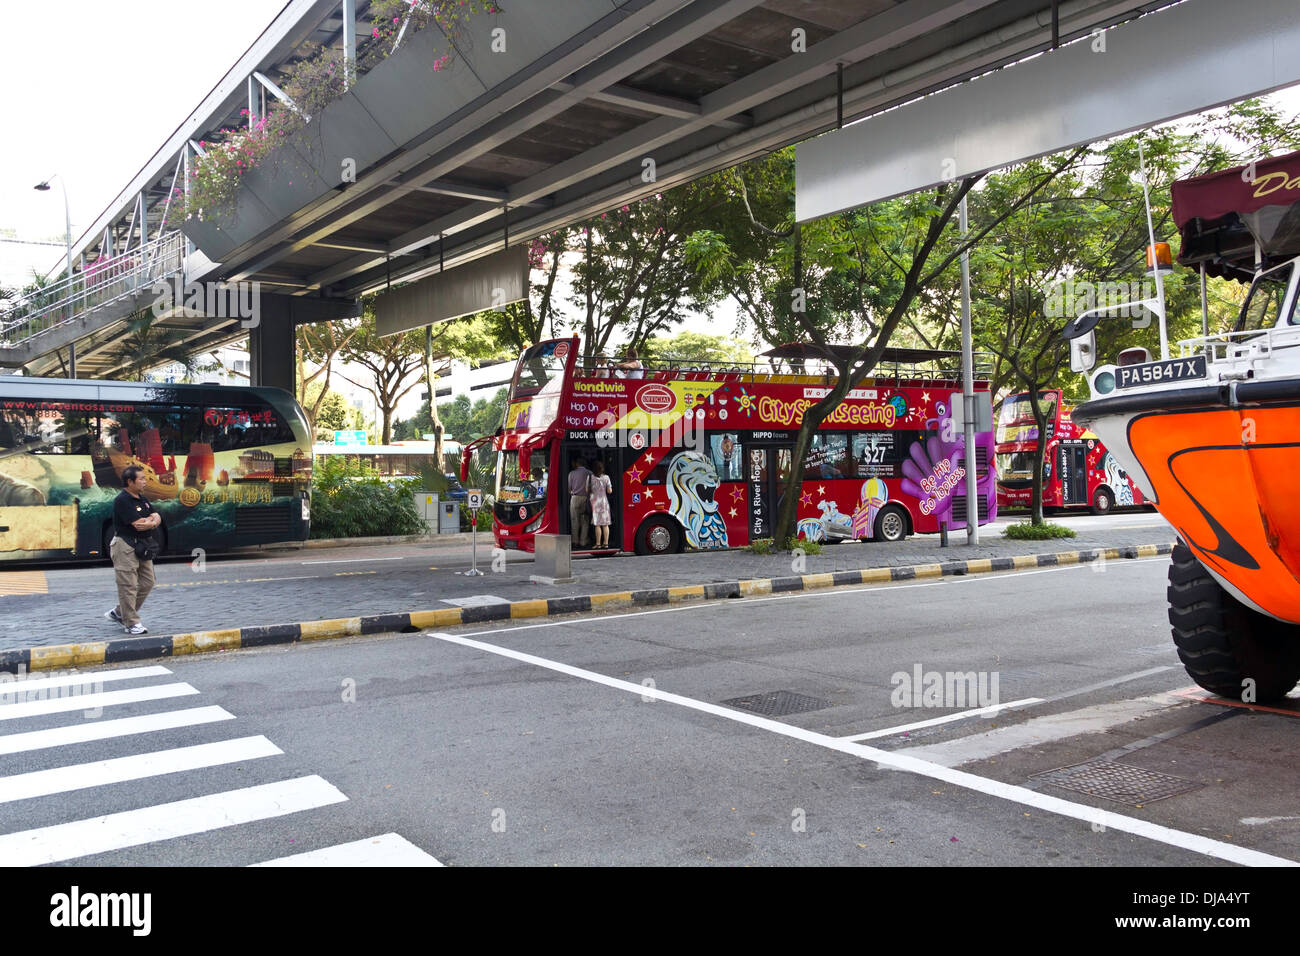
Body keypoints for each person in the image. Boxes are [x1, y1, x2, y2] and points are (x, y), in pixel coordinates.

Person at [106, 464, 161, 635]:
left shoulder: (141, 499)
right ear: (130, 482)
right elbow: (138, 525)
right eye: (142, 479)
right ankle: (131, 623)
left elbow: (157, 515)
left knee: (148, 581)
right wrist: (152, 522)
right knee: (128, 586)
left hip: (142, 546)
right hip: (125, 546)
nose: (145, 481)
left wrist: (151, 521)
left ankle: (119, 612)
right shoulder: (122, 500)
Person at [567, 456, 593, 548]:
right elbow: (592, 487)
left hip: (575, 498)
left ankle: (575, 541)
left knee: (574, 520)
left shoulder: (571, 474)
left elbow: (569, 489)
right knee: (585, 521)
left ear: (577, 463)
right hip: (586, 498)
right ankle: (583, 541)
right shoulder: (590, 473)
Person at [588, 460, 613, 549]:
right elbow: (609, 491)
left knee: (597, 524)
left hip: (595, 502)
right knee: (605, 524)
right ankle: (605, 543)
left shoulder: (590, 478)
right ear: (602, 469)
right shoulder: (606, 477)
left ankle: (598, 544)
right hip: (604, 502)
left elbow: (587, 490)